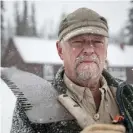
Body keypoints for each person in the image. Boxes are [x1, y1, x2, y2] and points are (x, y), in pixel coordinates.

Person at [2, 8, 133, 133]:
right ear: (60, 50)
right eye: (77, 41)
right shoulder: (32, 104)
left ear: (106, 48)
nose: (89, 49)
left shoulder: (128, 95)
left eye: (97, 41)